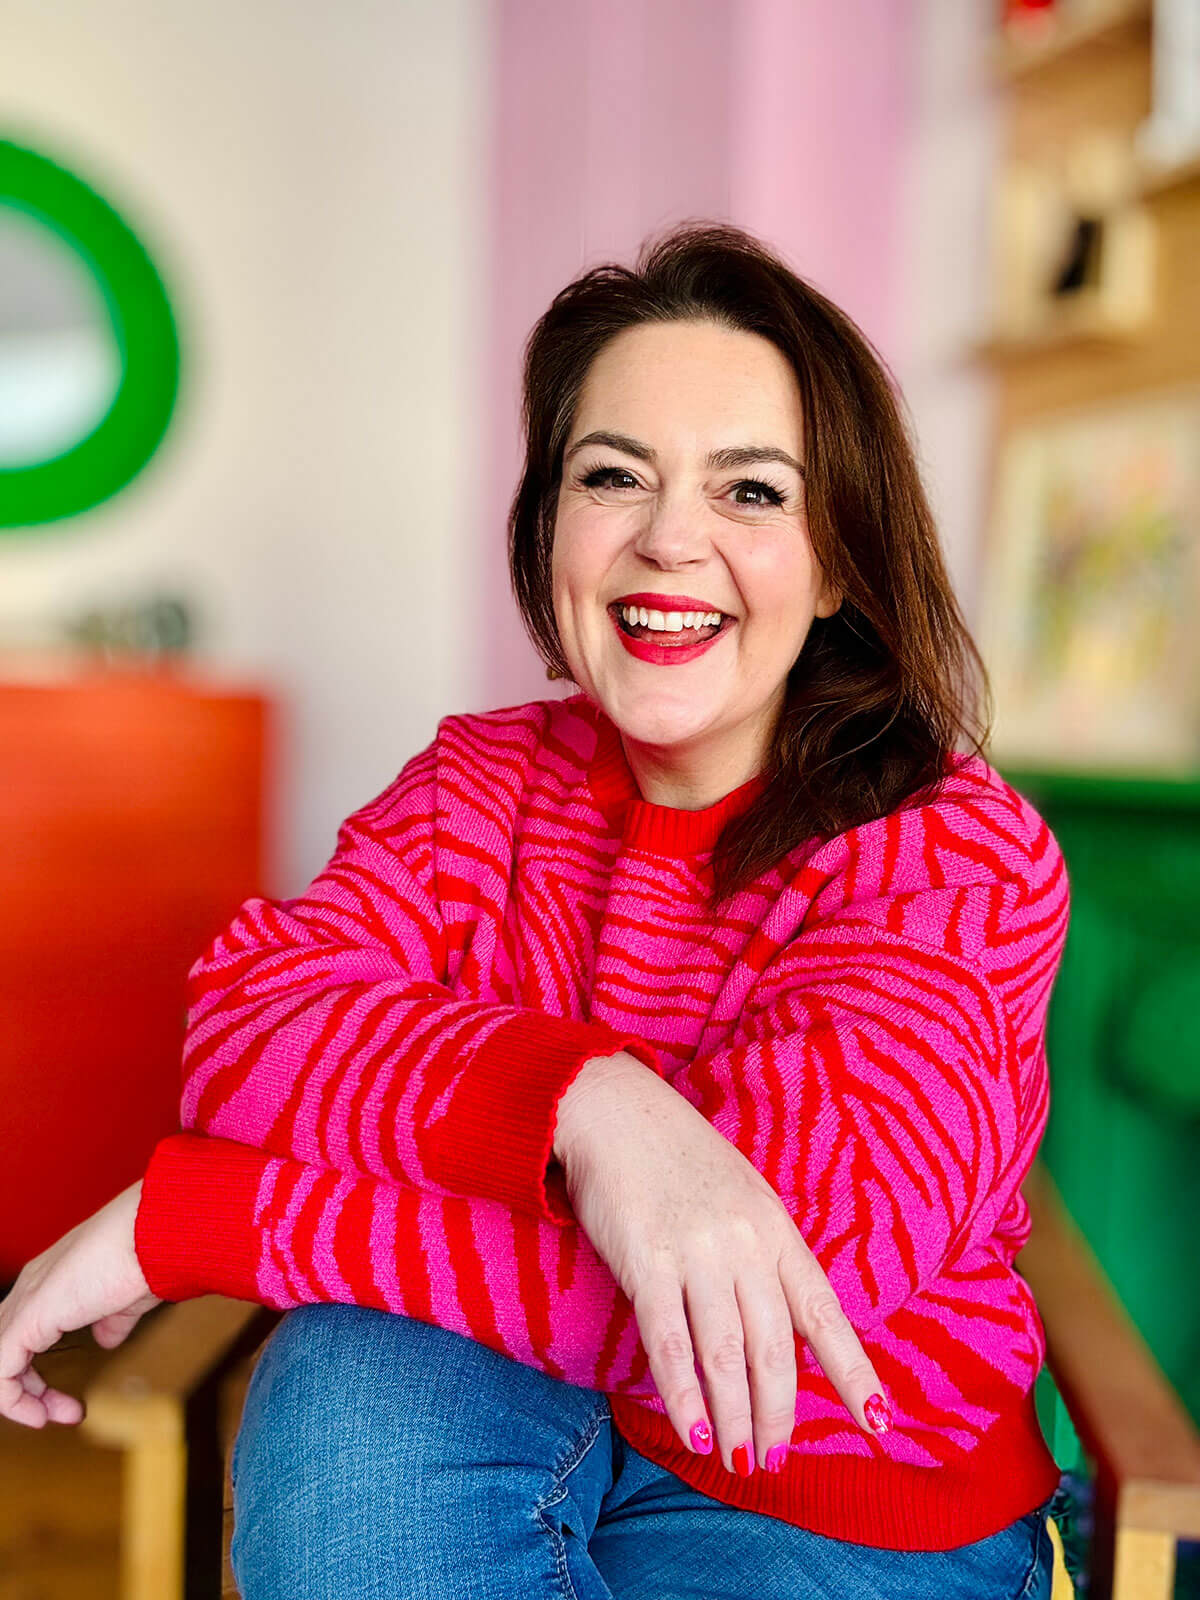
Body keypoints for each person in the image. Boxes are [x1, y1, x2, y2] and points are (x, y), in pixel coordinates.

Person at [0, 224, 1070, 1599]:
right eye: (611, 475)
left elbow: (769, 1315)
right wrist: (590, 1108)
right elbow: (249, 1027)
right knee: (343, 1384)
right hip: (493, 1389)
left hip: (837, 1488)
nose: (668, 538)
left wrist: (209, 1222)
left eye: (751, 493)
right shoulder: (480, 784)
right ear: (549, 525)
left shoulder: (954, 854)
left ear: (844, 561)